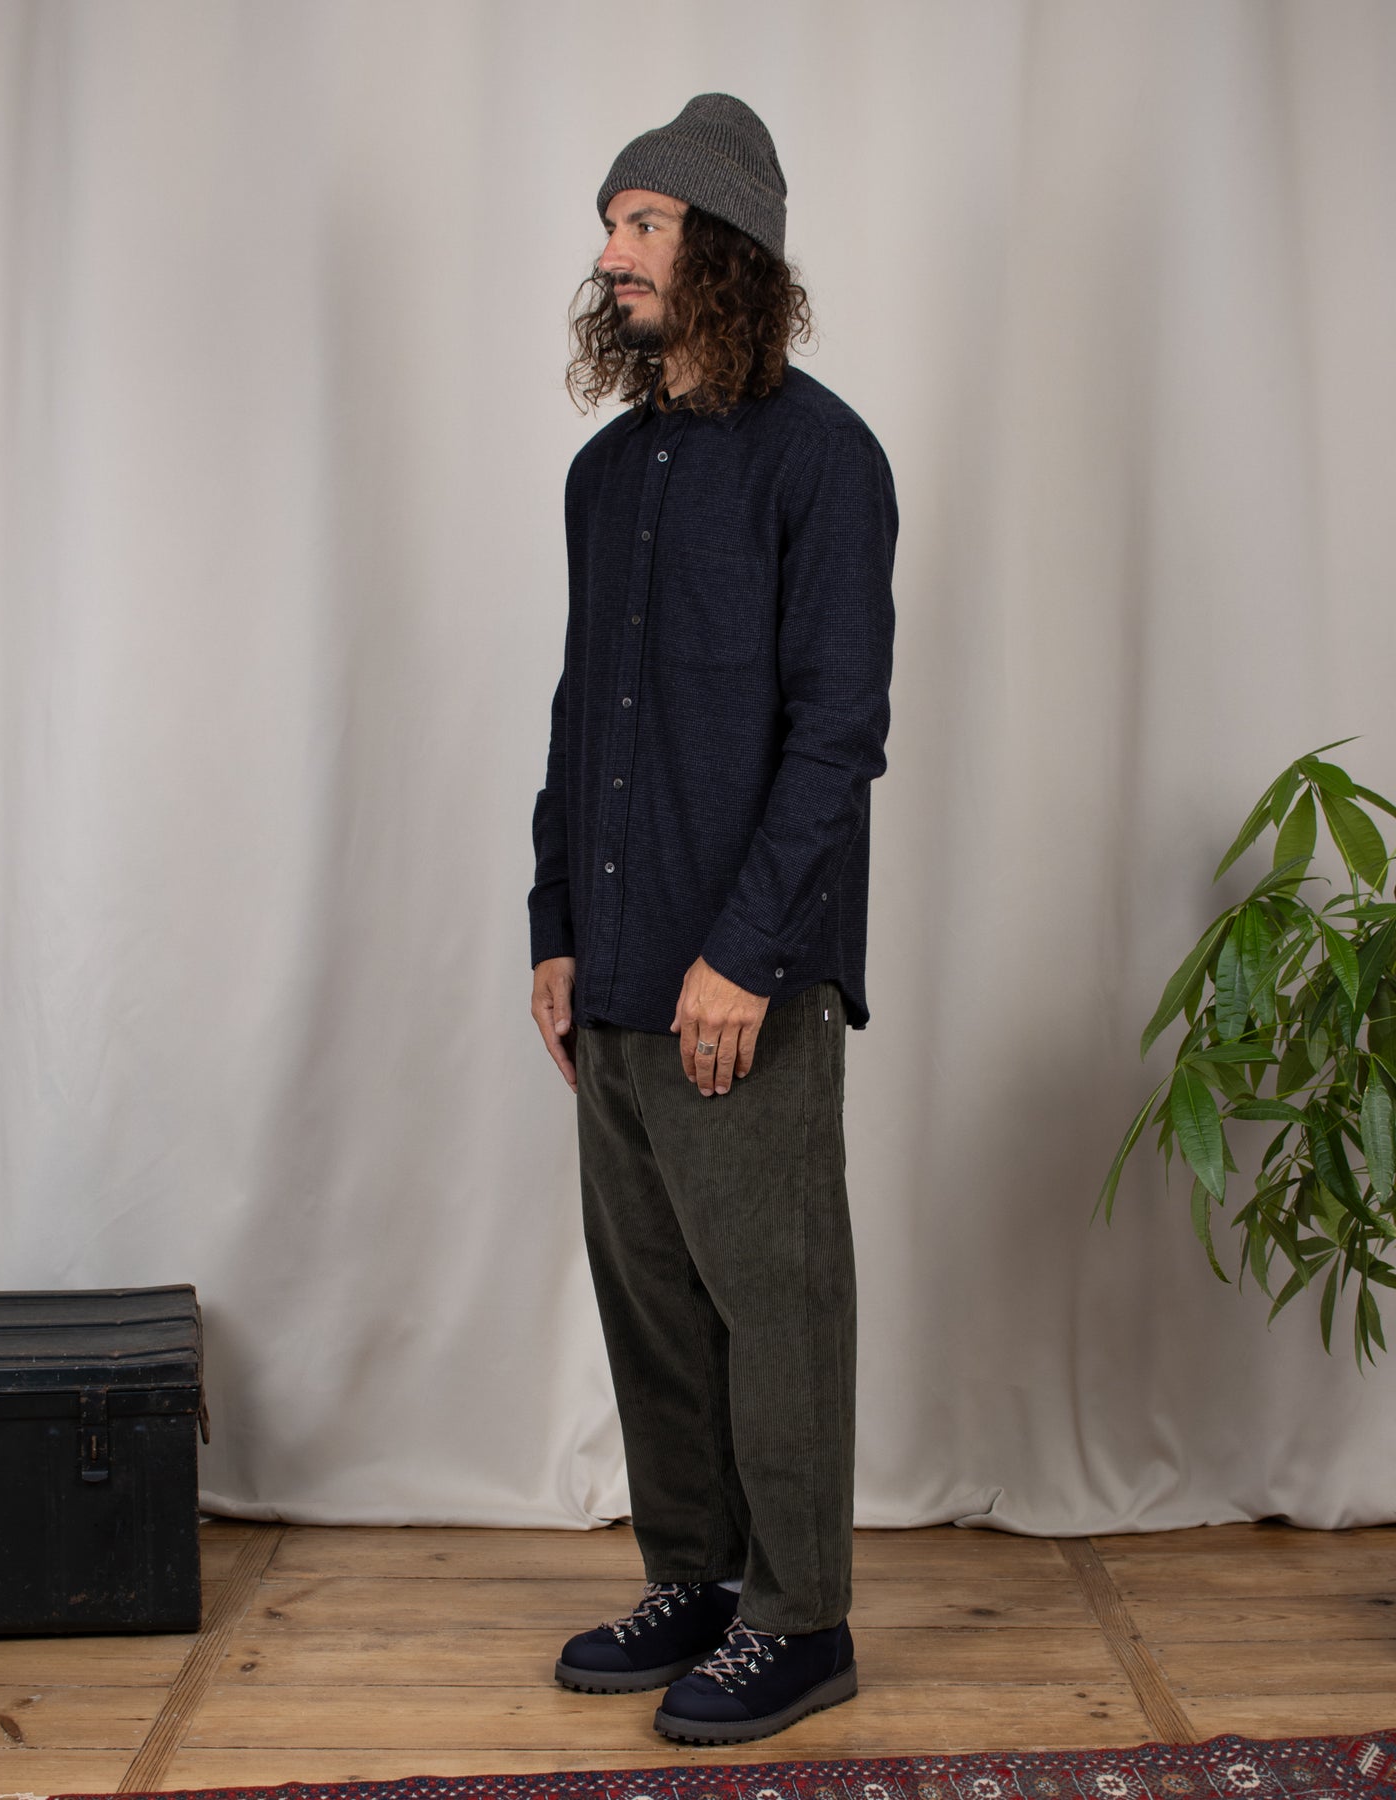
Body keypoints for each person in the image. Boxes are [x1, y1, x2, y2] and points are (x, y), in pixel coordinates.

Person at [527, 92, 898, 1747]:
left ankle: (800, 1618)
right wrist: (554, 927)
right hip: (611, 974)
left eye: (644, 224)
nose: (612, 255)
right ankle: (695, 1575)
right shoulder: (603, 476)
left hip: (744, 974)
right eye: (610, 225)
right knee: (655, 1307)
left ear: (728, 248)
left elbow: (839, 734)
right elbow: (578, 719)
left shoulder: (825, 460)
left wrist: (742, 953)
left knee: (775, 1300)